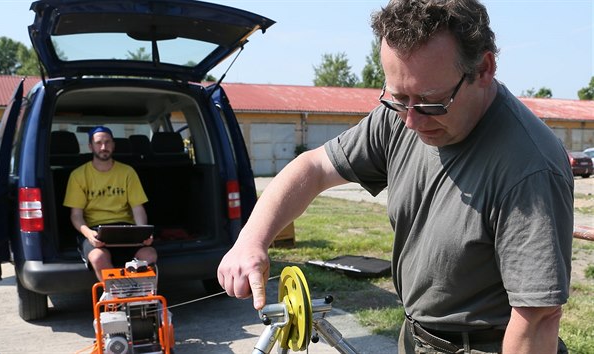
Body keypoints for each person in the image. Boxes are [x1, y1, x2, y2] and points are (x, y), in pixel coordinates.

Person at [217, 1, 573, 353]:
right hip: (416, 334)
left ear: (484, 69)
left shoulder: (529, 167)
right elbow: (313, 168)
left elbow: (537, 318)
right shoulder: (399, 116)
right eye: (399, 98)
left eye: (432, 102)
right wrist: (251, 240)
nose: (412, 121)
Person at [64, 126, 157, 282]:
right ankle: (116, 299)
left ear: (113, 145)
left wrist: (143, 233)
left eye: (107, 142)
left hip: (126, 229)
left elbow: (138, 208)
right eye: (98, 143)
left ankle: (138, 296)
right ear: (90, 146)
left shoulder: (127, 172)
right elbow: (76, 215)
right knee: (98, 257)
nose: (103, 147)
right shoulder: (78, 175)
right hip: (95, 230)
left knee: (149, 254)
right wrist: (89, 234)